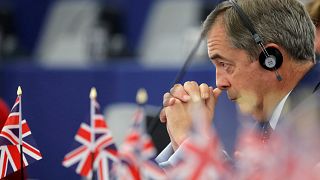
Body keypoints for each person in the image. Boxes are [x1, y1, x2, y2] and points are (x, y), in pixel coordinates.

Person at [156, 0, 320, 168]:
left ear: (271, 59)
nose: (220, 83)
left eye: (225, 65)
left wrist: (192, 143)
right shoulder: (268, 124)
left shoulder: (311, 121)